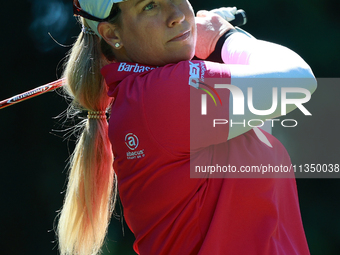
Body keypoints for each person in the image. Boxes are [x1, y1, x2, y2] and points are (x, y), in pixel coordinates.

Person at [58, 0, 317, 254]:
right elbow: (298, 81)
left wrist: (216, 49)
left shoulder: (143, 97)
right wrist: (225, 38)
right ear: (113, 34)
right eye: (150, 5)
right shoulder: (163, 94)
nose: (176, 15)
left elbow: (266, 114)